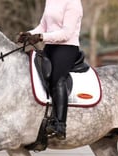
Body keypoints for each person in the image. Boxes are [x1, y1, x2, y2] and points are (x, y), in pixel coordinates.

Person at [18, 0, 83, 140]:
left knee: (57, 79)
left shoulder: (73, 3)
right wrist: (29, 34)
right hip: (50, 46)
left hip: (67, 47)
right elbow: (43, 26)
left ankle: (60, 124)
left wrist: (41, 37)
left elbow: (66, 33)